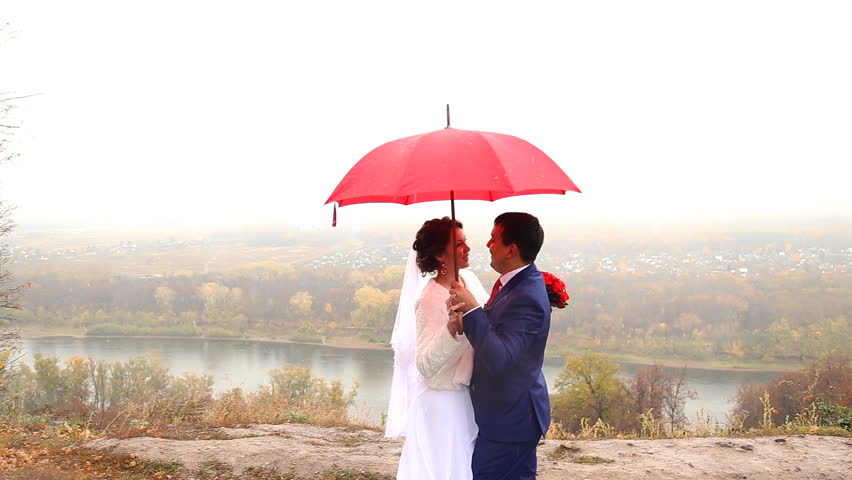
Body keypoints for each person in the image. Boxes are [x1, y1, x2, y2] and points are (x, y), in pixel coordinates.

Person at [385, 217, 490, 480]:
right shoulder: (429, 300)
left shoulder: (469, 279)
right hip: (443, 403)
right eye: (459, 244)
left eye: (465, 242)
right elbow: (424, 364)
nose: (467, 248)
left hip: (467, 395)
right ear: (441, 257)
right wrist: (452, 330)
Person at [449, 212, 551, 480]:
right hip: (508, 417)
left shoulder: (525, 295)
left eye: (493, 239)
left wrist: (472, 310)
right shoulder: (516, 283)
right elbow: (503, 334)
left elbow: (500, 358)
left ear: (511, 250)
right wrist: (467, 322)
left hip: (510, 422)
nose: (487, 245)